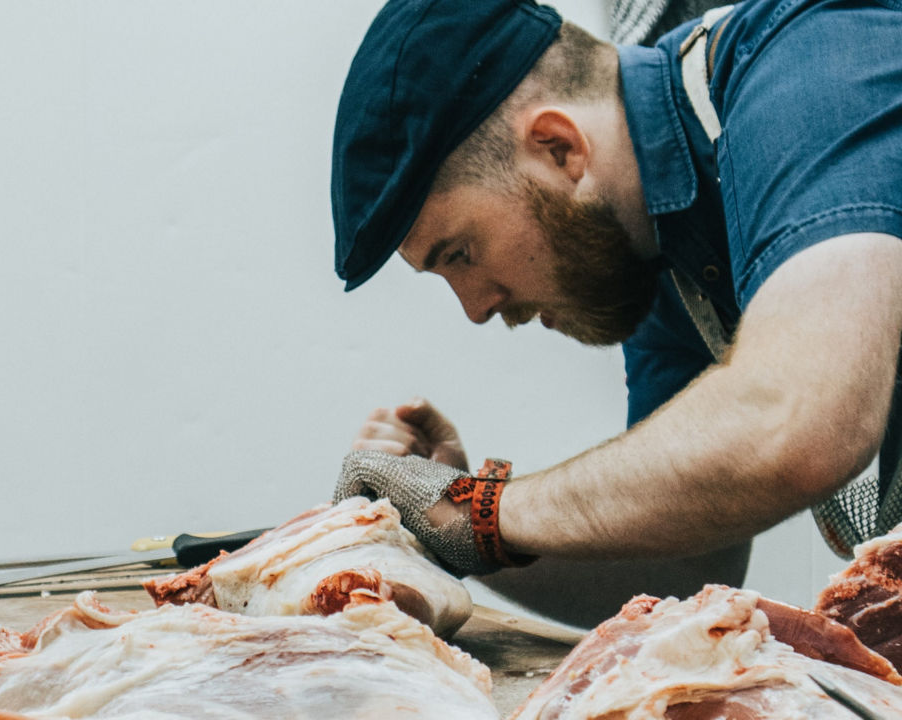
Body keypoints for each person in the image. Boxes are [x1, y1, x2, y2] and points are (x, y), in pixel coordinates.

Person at [328, 0, 902, 627]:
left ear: (558, 147)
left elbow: (799, 420)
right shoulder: (656, 247)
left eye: (461, 253)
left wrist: (478, 510)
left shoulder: (815, 61)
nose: (476, 307)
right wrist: (458, 530)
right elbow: (684, 567)